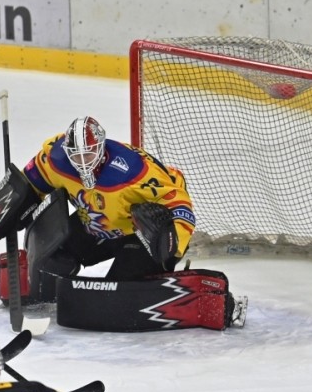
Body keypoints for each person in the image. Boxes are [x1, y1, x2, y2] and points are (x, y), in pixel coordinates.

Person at [22, 115, 196, 296]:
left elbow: (178, 202)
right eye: (76, 156)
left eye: (88, 154)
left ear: (101, 147)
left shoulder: (133, 173)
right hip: (99, 223)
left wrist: (172, 244)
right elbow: (32, 178)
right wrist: (15, 200)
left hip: (140, 236)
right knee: (53, 257)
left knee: (118, 292)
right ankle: (46, 295)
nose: (83, 162)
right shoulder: (58, 162)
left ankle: (149, 275)